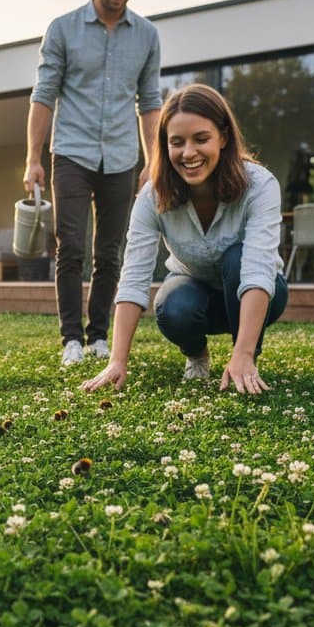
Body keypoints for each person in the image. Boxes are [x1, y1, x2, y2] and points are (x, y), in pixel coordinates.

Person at [82, 83, 289, 397]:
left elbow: (258, 270)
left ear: (223, 137)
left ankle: (244, 358)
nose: (188, 153)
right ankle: (197, 355)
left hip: (258, 294)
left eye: (201, 139)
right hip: (194, 294)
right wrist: (117, 360)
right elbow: (134, 276)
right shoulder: (152, 195)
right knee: (172, 305)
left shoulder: (260, 185)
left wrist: (245, 353)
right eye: (177, 142)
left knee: (237, 258)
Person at [24, 0, 162, 366]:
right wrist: (32, 158)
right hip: (71, 153)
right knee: (71, 247)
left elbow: (150, 102)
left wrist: (153, 161)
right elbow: (44, 95)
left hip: (121, 157)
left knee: (110, 252)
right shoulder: (63, 29)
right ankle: (71, 340)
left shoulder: (147, 36)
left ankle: (99, 335)